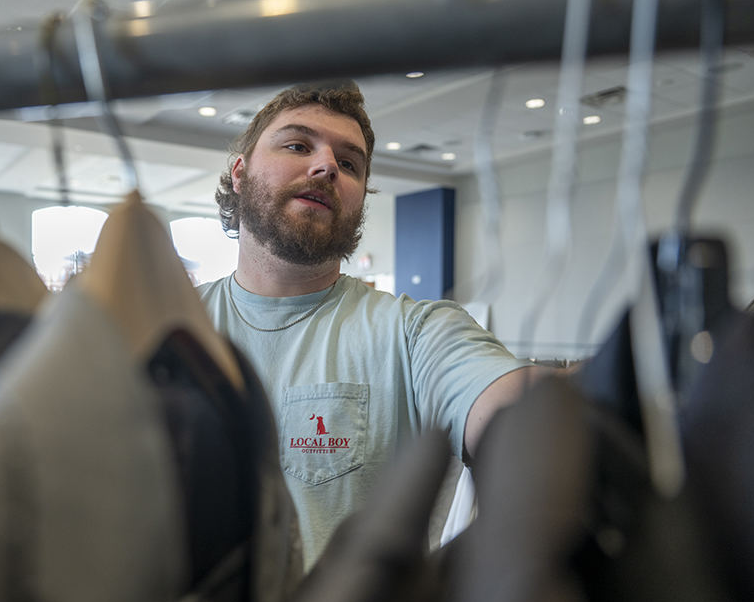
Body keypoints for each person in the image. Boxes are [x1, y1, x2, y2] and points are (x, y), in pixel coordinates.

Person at [197, 81, 542, 569]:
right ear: (239, 172)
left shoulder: (414, 332)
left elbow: (521, 411)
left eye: (350, 163)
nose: (326, 167)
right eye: (298, 145)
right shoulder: (167, 326)